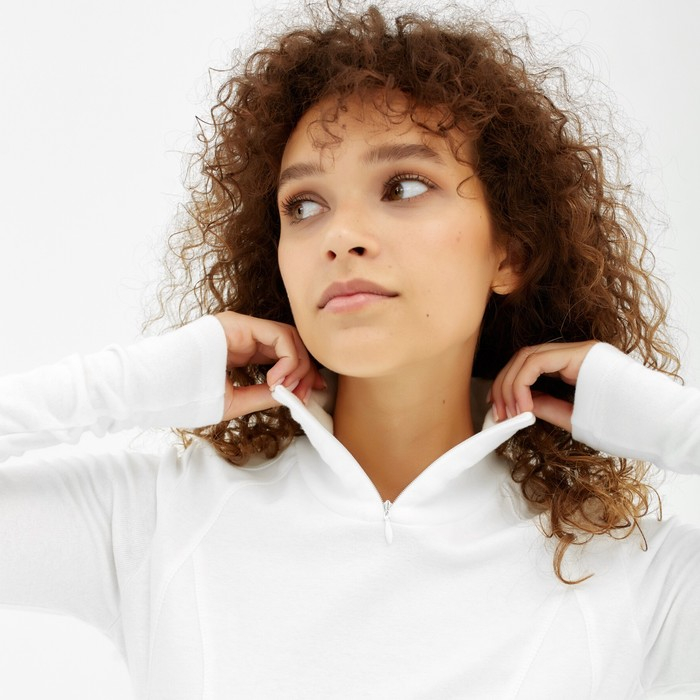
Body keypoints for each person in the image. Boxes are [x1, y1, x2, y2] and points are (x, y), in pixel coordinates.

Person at [1, 2, 699, 698]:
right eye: (304, 206)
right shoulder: (162, 518)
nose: (340, 237)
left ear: (510, 251)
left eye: (404, 186)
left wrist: (657, 417)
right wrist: (140, 382)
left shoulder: (625, 572)